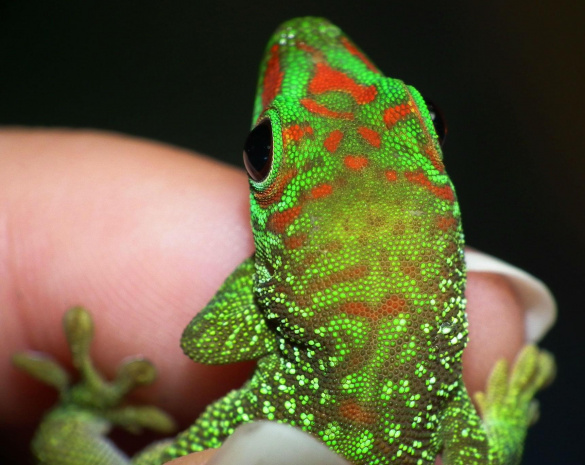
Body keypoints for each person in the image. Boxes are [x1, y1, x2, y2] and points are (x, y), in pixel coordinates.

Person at [0, 129, 555, 465]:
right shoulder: (445, 398)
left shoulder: (271, 311)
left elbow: (206, 339)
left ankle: (83, 410)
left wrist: (273, 269)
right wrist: (504, 418)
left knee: (59, 435)